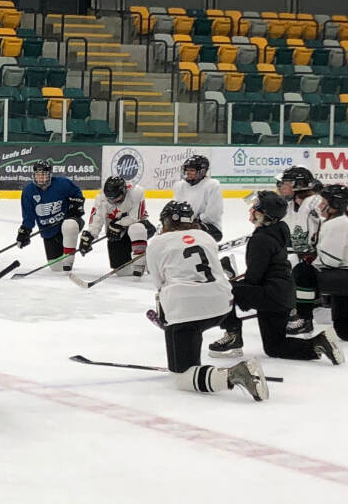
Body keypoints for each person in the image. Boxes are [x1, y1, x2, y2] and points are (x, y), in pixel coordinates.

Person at [145, 201, 271, 400]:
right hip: (223, 306)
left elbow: (159, 283)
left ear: (167, 221)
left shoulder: (157, 243)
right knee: (185, 327)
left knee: (182, 377)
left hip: (188, 310)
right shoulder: (205, 236)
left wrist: (168, 316)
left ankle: (236, 374)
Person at [209, 190, 342, 364]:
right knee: (275, 346)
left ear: (264, 215)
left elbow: (254, 277)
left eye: (255, 208)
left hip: (271, 294)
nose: (250, 210)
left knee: (226, 290)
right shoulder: (279, 229)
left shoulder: (261, 239)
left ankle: (233, 335)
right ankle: (319, 343)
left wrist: (241, 294)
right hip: (283, 295)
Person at [277, 166, 324, 335]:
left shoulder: (315, 202)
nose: (281, 187)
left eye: (286, 183)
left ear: (298, 185)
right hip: (304, 255)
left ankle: (304, 318)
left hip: (323, 257)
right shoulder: (290, 206)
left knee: (301, 272)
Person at [80, 175, 154, 277]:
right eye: (110, 199)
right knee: (123, 272)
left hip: (139, 229)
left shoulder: (136, 192)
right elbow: (97, 219)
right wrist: (90, 236)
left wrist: (119, 225)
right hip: (116, 235)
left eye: (116, 198)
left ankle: (140, 263)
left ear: (124, 191)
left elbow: (135, 217)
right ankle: (147, 263)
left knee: (136, 228)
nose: (113, 201)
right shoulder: (101, 198)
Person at [16, 162, 84, 272]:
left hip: (66, 223)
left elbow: (77, 194)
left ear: (50, 175)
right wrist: (25, 230)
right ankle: (63, 262)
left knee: (69, 225)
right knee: (56, 268)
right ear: (33, 175)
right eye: (38, 175)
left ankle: (68, 262)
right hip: (49, 231)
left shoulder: (62, 184)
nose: (41, 178)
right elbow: (28, 216)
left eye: (44, 174)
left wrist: (76, 206)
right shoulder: (28, 191)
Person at [314, 184, 348, 345]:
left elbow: (330, 261)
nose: (319, 205)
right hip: (343, 276)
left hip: (343, 276)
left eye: (323, 202)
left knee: (301, 272)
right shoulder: (340, 221)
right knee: (344, 330)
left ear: (335, 204)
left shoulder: (338, 223)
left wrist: (314, 261)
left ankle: (302, 316)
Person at [171, 154, 223, 241]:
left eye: (192, 170)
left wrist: (193, 221)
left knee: (187, 233)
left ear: (202, 171)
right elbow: (175, 207)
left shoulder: (212, 185)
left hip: (209, 227)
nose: (188, 172)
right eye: (187, 170)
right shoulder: (180, 185)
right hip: (184, 223)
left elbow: (214, 214)